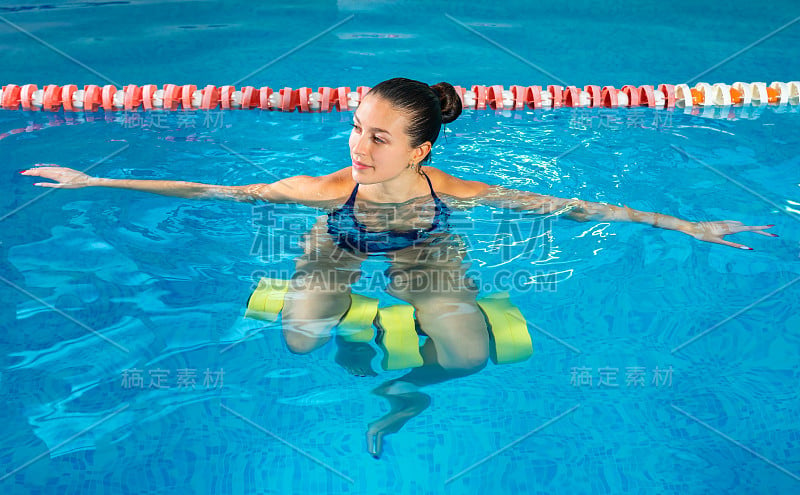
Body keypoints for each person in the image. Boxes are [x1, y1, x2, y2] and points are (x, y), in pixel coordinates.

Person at [20, 77, 777, 458]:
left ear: (419, 150)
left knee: (473, 354)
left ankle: (401, 390)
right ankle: (360, 338)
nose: (358, 146)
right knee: (299, 341)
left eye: (379, 137)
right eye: (356, 127)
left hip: (425, 249)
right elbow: (213, 187)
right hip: (339, 245)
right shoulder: (327, 188)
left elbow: (571, 206)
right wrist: (98, 182)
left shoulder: (454, 188)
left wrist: (686, 222)